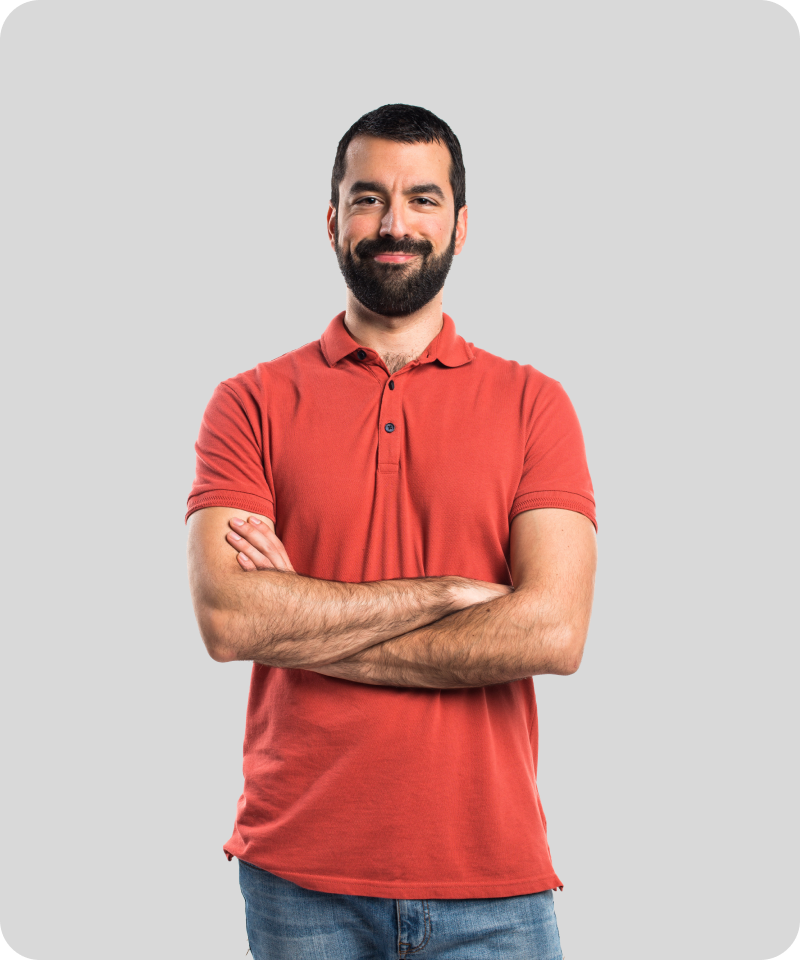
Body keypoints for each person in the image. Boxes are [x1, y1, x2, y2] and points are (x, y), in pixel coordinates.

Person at [186, 103, 597, 960]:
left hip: (494, 881)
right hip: (300, 876)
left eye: (422, 199)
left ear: (461, 222)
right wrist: (448, 596)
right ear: (334, 220)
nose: (395, 224)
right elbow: (230, 622)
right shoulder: (249, 403)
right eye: (368, 199)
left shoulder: (535, 404)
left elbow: (554, 632)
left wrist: (300, 618)